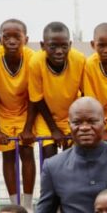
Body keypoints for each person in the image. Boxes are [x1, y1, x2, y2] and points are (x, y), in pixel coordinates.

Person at [0, 18, 36, 210]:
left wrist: (28, 128)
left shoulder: (31, 58)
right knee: (8, 155)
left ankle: (28, 206)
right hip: (2, 111)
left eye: (17, 37)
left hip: (25, 110)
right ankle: (15, 205)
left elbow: (34, 96)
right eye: (7, 37)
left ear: (25, 39)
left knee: (27, 151)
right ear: (0, 39)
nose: (12, 41)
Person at [26, 21, 85, 160]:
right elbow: (37, 98)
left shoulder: (79, 60)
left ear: (70, 45)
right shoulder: (35, 62)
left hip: (71, 116)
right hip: (46, 117)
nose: (59, 51)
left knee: (72, 157)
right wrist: (54, 129)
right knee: (49, 157)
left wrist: (79, 121)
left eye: (64, 46)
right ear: (43, 46)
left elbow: (85, 94)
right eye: (53, 47)